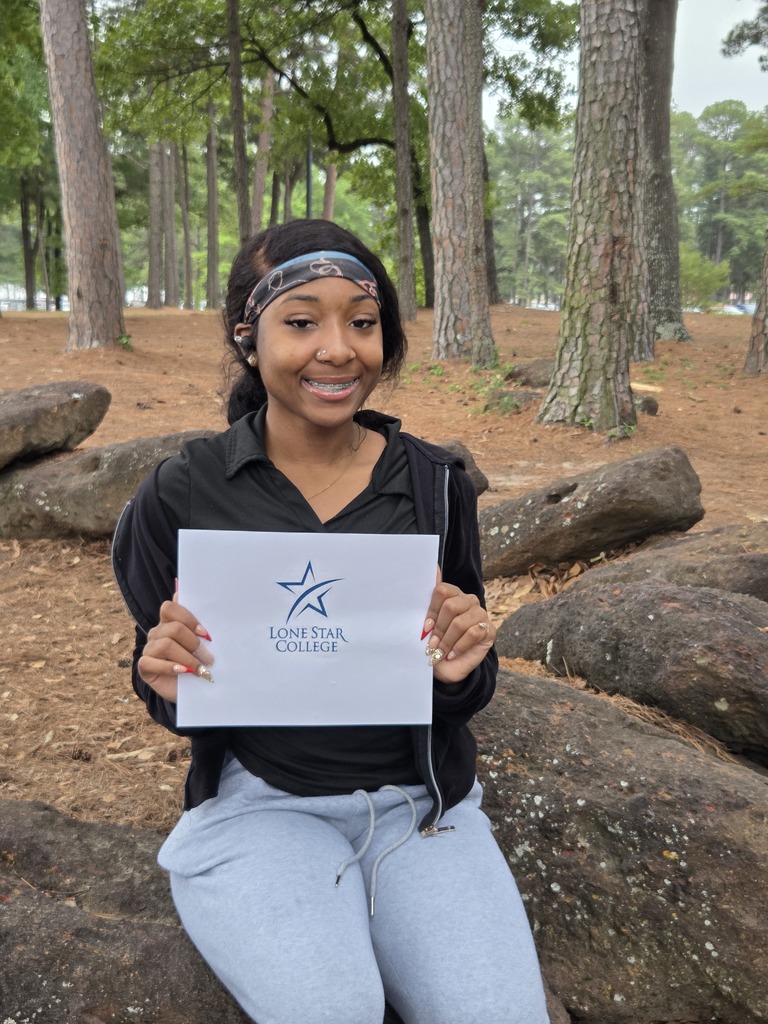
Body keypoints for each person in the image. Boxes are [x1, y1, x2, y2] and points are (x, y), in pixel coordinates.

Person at [112, 219, 550, 1024]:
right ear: (250, 339)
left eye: (362, 319)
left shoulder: (435, 484)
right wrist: (165, 675)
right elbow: (174, 685)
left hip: (423, 813)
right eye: (302, 321)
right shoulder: (181, 492)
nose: (339, 348)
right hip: (265, 809)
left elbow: (463, 668)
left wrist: (461, 667)